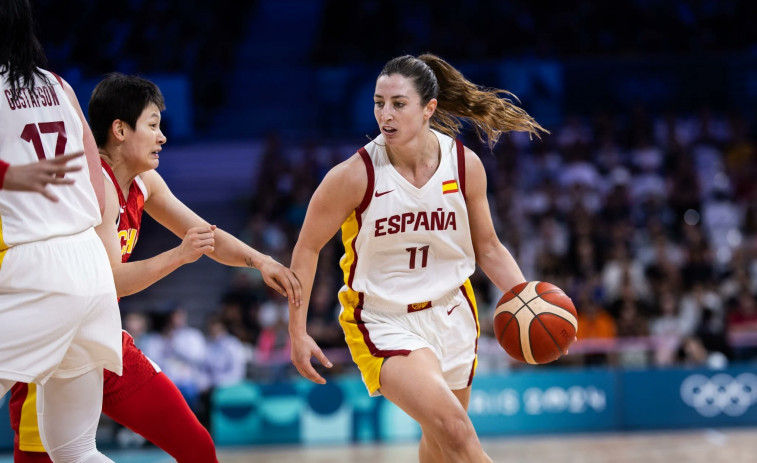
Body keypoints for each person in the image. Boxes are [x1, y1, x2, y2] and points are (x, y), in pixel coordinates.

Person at [10, 73, 302, 462]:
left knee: (197, 447)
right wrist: (179, 256)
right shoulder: (94, 185)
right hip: (54, 346)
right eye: (152, 125)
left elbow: (205, 233)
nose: (162, 136)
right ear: (119, 130)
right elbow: (110, 279)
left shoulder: (144, 181)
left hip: (102, 338)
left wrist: (260, 260)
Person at [288, 54, 547, 462]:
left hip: (452, 312)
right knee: (457, 431)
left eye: (398, 103)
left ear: (429, 108)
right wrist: (297, 331)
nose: (384, 114)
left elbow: (489, 248)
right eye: (378, 103)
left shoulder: (464, 166)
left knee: (442, 444)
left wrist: (526, 298)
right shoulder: (353, 176)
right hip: (384, 319)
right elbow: (306, 248)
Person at [0, 1, 122, 462]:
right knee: (74, 449)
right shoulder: (60, 86)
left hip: (37, 265)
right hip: (88, 265)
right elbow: (98, 187)